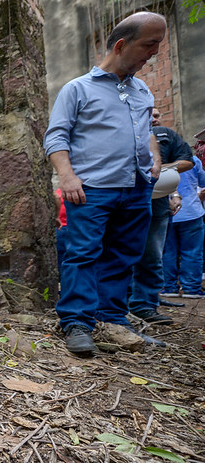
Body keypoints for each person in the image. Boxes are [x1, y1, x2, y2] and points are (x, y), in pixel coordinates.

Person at [44, 12, 166, 355]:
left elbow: (146, 132)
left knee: (125, 254)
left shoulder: (142, 90)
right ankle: (77, 323)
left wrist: (155, 157)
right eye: (149, 44)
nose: (154, 52)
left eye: (158, 45)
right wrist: (66, 176)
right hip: (91, 189)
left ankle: (112, 320)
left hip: (137, 188)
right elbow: (56, 137)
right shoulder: (77, 89)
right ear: (121, 45)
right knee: (82, 254)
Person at [128, 112, 193, 325]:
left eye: (157, 115)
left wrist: (171, 189)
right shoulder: (124, 130)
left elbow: (186, 161)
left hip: (157, 200)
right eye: (150, 114)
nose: (154, 118)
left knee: (153, 253)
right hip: (124, 198)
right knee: (123, 250)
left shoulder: (168, 136)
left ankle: (144, 304)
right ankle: (118, 302)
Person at [162, 154, 205, 298]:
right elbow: (203, 181)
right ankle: (191, 289)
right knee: (192, 251)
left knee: (167, 252)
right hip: (191, 212)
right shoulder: (193, 160)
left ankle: (169, 287)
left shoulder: (157, 160)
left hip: (166, 212)